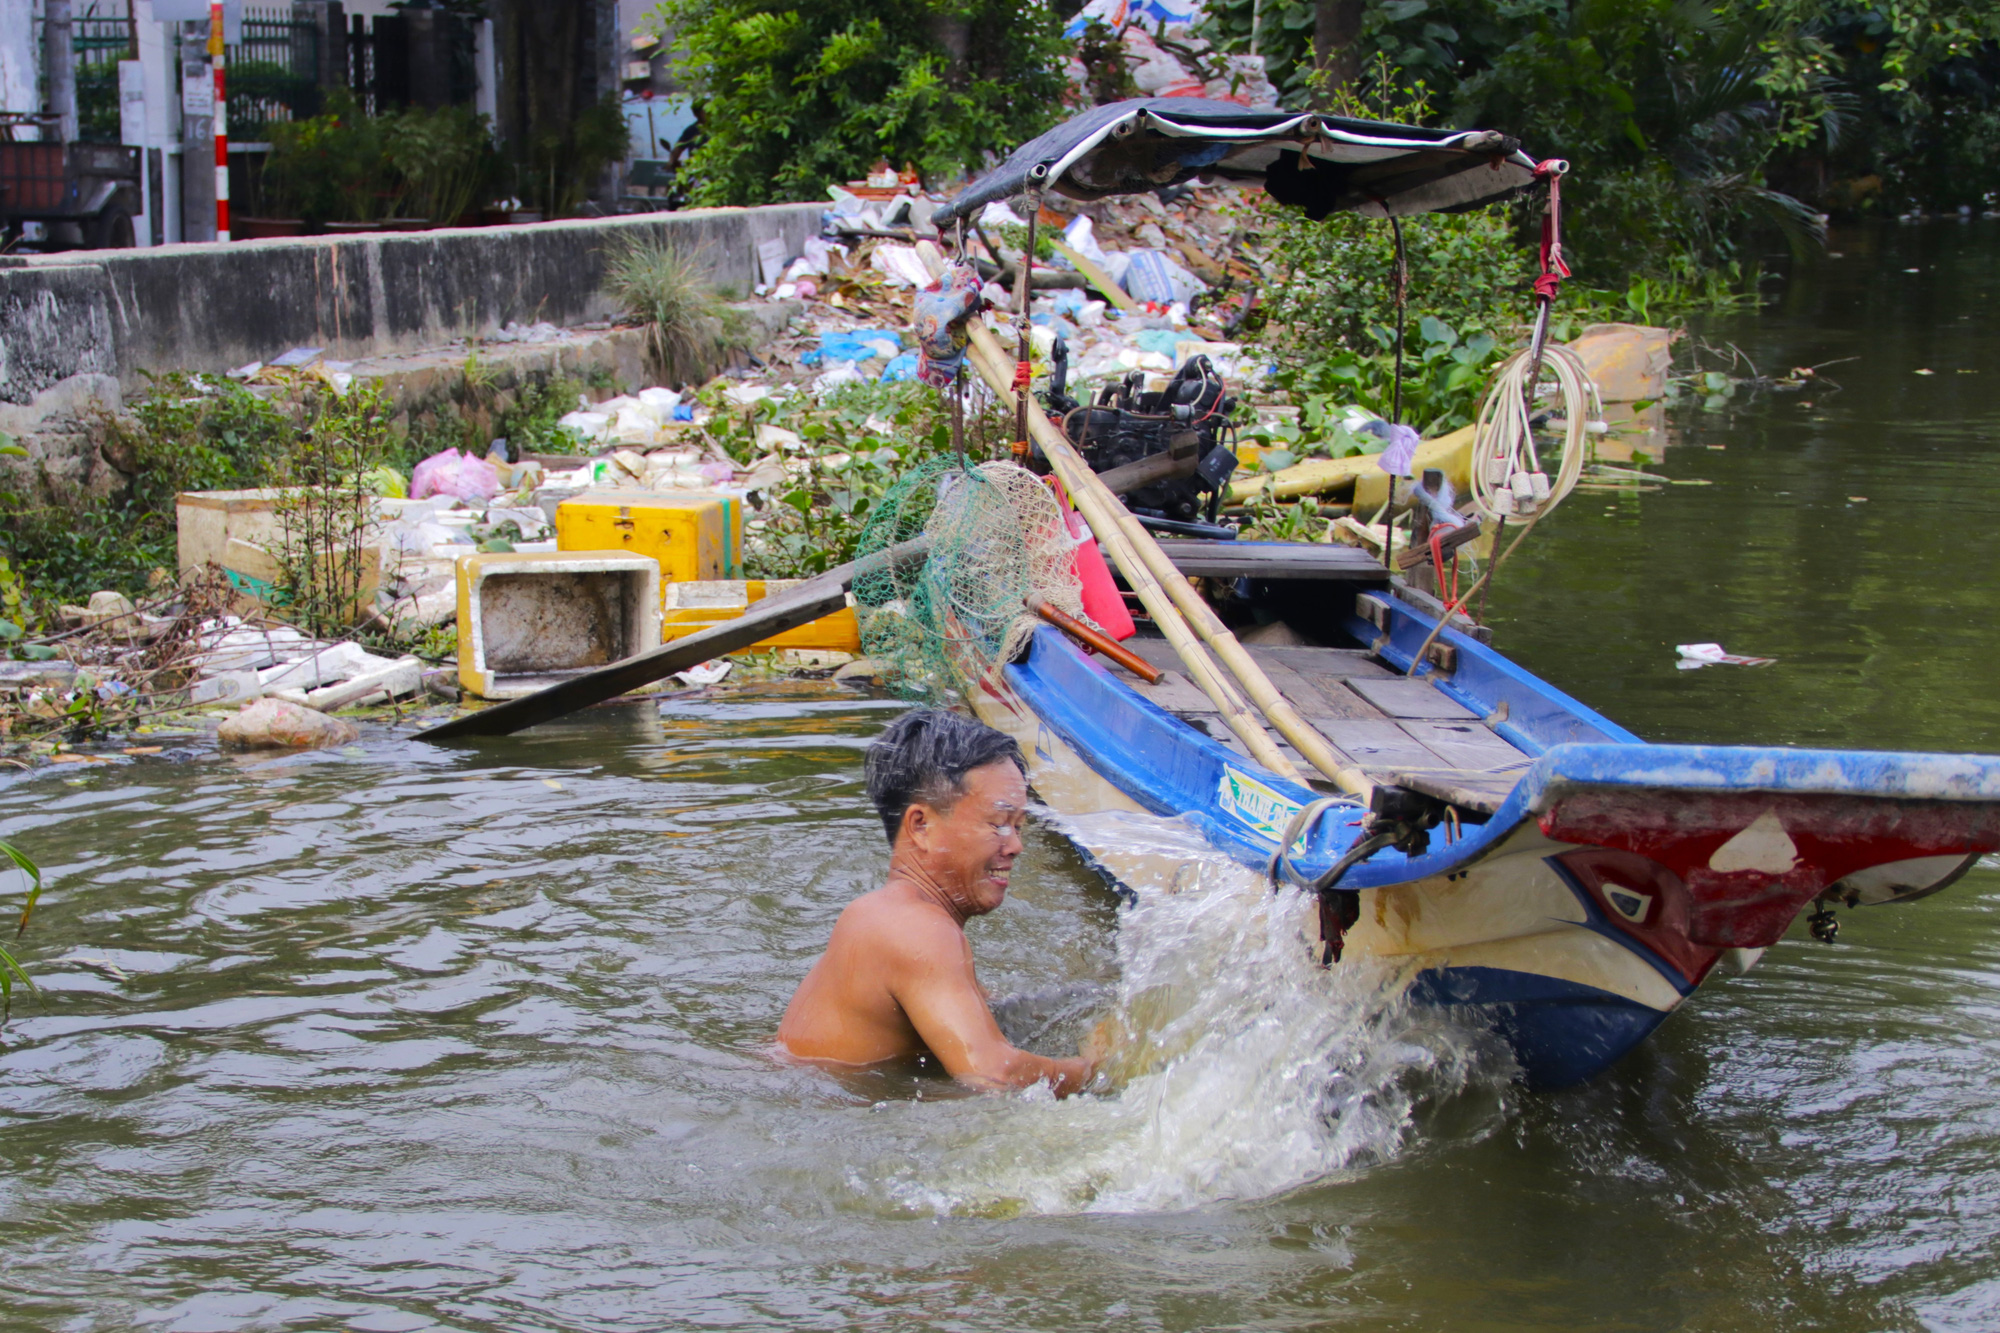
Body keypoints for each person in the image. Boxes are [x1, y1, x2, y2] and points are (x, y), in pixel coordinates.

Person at [778, 709, 1098, 1096]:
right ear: (921, 826)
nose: (1016, 846)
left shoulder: (894, 915)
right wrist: (1100, 1068)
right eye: (998, 823)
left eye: (1019, 826)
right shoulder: (915, 929)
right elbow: (995, 1075)